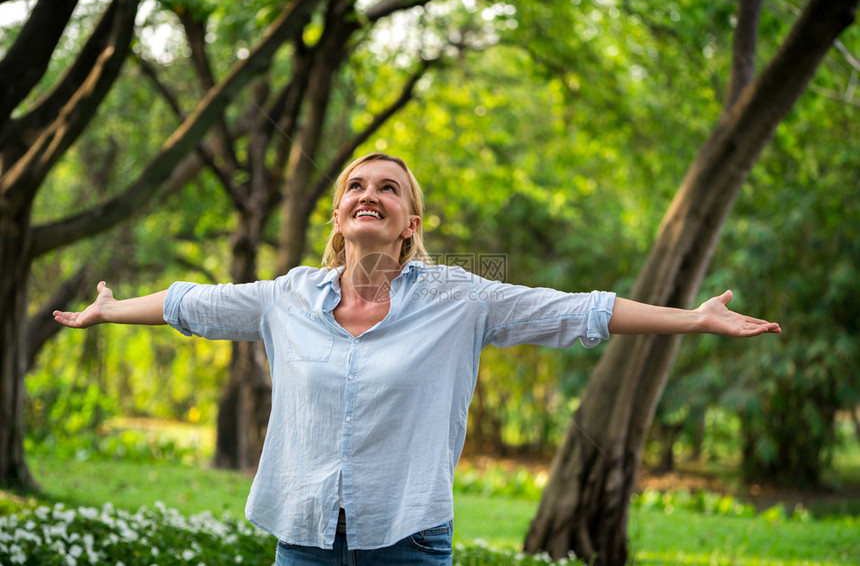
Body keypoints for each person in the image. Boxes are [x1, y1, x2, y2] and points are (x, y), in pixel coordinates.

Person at [54, 152, 780, 565]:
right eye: (356, 187)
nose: (370, 194)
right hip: (302, 538)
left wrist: (694, 319)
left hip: (407, 537)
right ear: (338, 218)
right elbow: (193, 303)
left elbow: (578, 311)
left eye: (388, 188)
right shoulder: (286, 297)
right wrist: (113, 309)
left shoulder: (459, 300)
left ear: (409, 225)